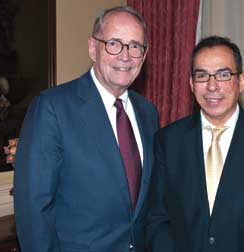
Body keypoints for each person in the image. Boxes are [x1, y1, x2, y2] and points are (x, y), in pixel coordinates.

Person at [14, 6, 159, 252]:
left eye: (135, 46)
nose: (125, 56)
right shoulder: (52, 108)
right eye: (114, 43)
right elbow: (33, 207)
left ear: (144, 56)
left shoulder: (148, 113)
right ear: (93, 48)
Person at [145, 36, 244, 252]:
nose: (212, 86)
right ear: (191, 84)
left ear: (241, 81)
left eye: (224, 75)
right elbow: (157, 220)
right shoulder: (167, 141)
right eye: (202, 75)